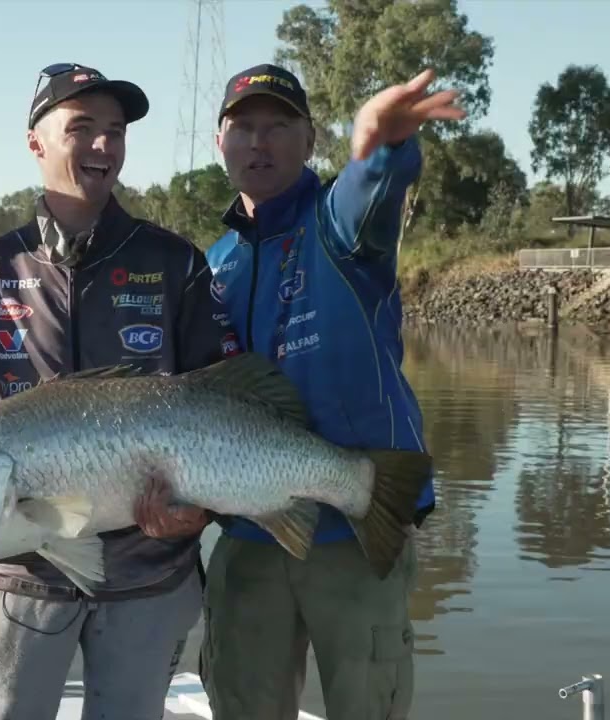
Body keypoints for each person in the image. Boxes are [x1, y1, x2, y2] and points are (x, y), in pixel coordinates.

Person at [0, 63, 237, 720]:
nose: (104, 146)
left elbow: (220, 408)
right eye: (82, 128)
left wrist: (201, 512)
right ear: (36, 142)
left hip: (152, 572)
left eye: (115, 131)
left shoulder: (175, 262)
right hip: (20, 574)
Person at [195, 64, 466, 719]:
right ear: (219, 143)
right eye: (244, 127)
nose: (259, 142)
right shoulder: (213, 265)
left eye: (278, 126)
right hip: (249, 537)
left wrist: (379, 147)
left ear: (309, 138)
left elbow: (369, 189)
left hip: (357, 530)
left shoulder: (339, 227)